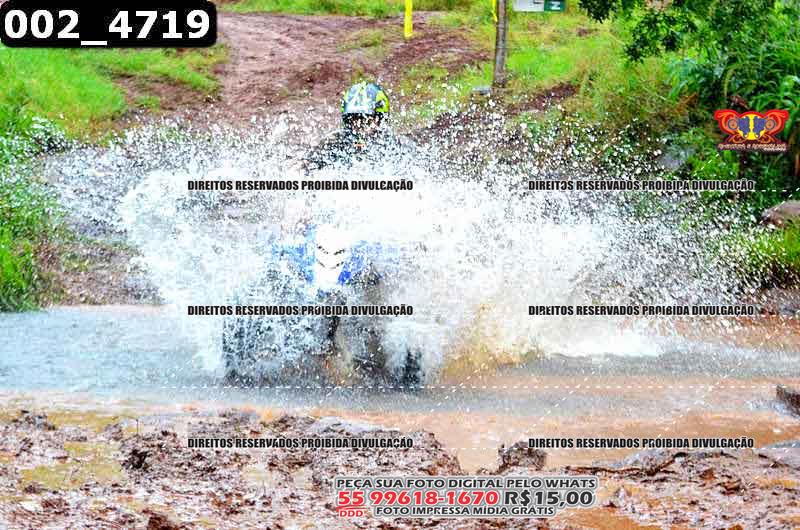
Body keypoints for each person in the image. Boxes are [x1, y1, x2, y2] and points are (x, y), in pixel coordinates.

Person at [303, 81, 402, 172]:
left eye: (366, 122)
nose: (359, 127)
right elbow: (305, 170)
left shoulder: (391, 145)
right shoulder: (333, 143)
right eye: (354, 121)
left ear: (380, 120)